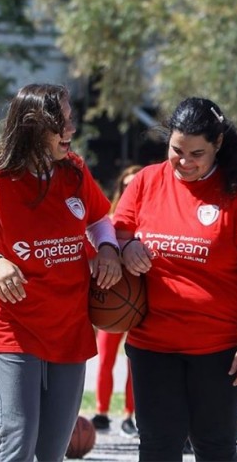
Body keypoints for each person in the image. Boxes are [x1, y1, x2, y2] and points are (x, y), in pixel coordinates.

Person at [0, 83, 122, 461]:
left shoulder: (74, 171)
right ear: (33, 125)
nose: (70, 130)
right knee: (18, 440)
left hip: (69, 322)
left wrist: (107, 248)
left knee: (53, 449)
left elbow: (99, 221)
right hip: (14, 325)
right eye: (60, 122)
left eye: (70, 119)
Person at [114, 97, 237, 461]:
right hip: (151, 343)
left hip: (218, 350)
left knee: (215, 448)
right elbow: (115, 234)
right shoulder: (145, 181)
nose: (184, 162)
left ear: (218, 144)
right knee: (157, 447)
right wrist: (126, 249)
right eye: (176, 150)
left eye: (196, 153)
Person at [91, 164, 142, 438]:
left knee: (134, 361)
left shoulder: (149, 220)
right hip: (110, 297)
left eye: (136, 185)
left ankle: (129, 415)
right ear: (119, 188)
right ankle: (101, 412)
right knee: (105, 359)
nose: (130, 190)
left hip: (137, 301)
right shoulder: (105, 220)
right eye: (126, 185)